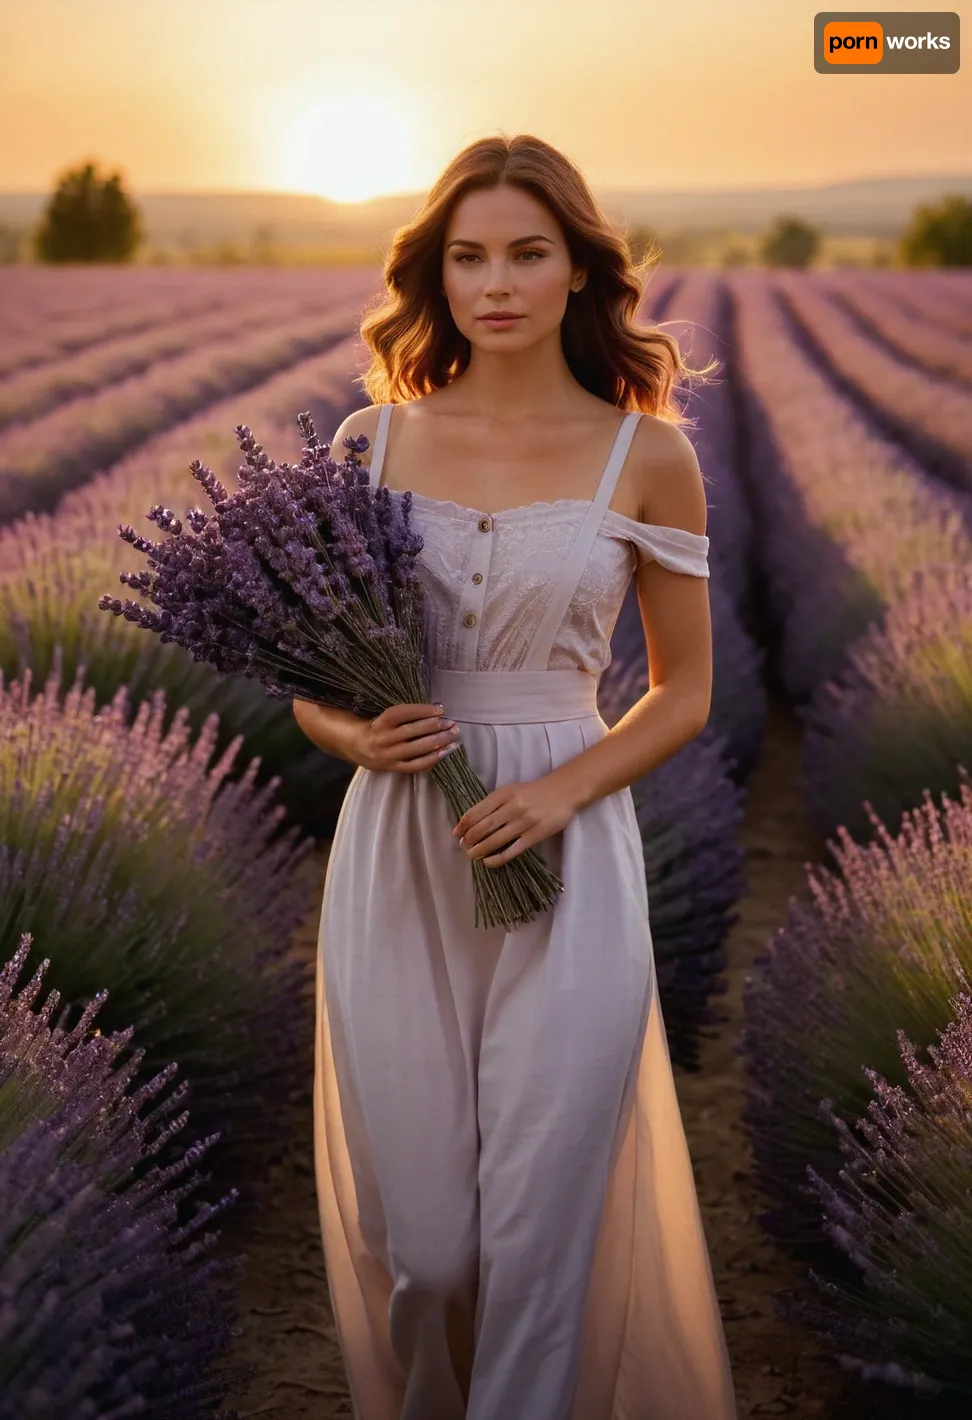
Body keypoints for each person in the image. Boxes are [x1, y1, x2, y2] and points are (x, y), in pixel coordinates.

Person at [293, 132, 737, 1420]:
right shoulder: (369, 443)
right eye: (468, 255)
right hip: (400, 848)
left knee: (540, 1247)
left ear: (578, 271)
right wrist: (351, 737)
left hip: (568, 846)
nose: (496, 281)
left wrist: (562, 788)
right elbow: (312, 675)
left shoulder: (644, 456)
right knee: (429, 1249)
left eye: (527, 253)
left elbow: (685, 689)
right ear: (433, 276)